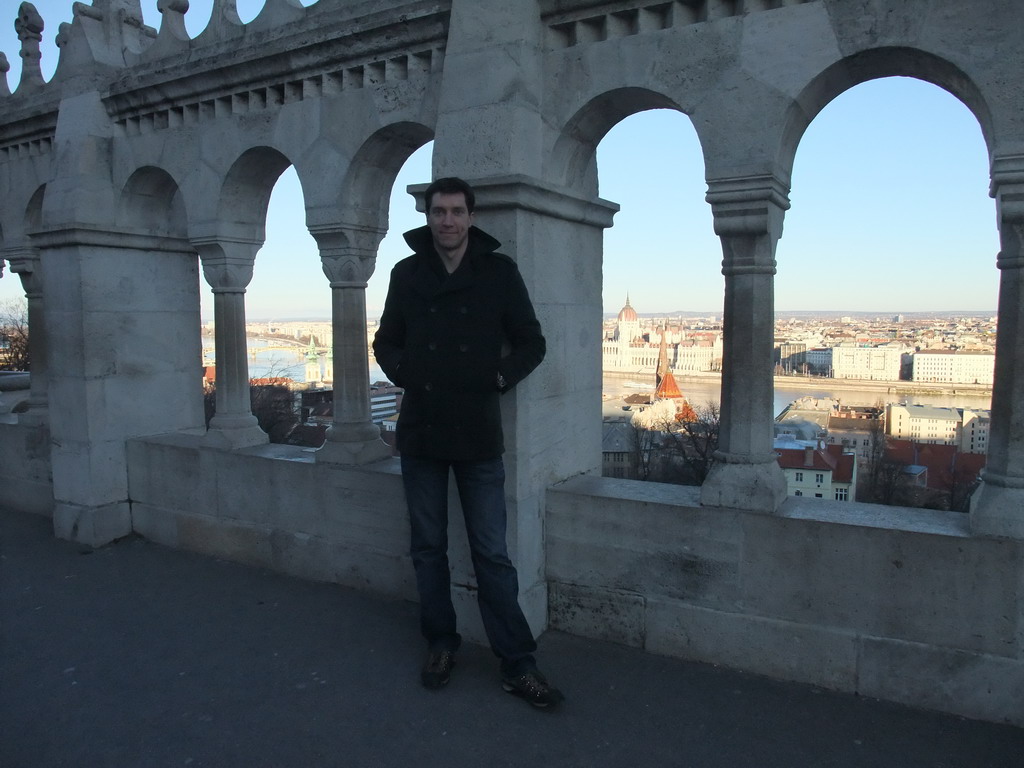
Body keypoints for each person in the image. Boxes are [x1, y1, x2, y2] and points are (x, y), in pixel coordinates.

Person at [372, 177, 563, 709]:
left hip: (478, 431)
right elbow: (385, 340)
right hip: (424, 429)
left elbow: (532, 341)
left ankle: (517, 662)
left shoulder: (499, 273)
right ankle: (440, 641)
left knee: (491, 554)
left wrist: (497, 380)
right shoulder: (406, 274)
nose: (448, 221)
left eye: (456, 211)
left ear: (471, 217)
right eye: (439, 212)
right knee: (428, 549)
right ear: (428, 217)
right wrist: (411, 370)